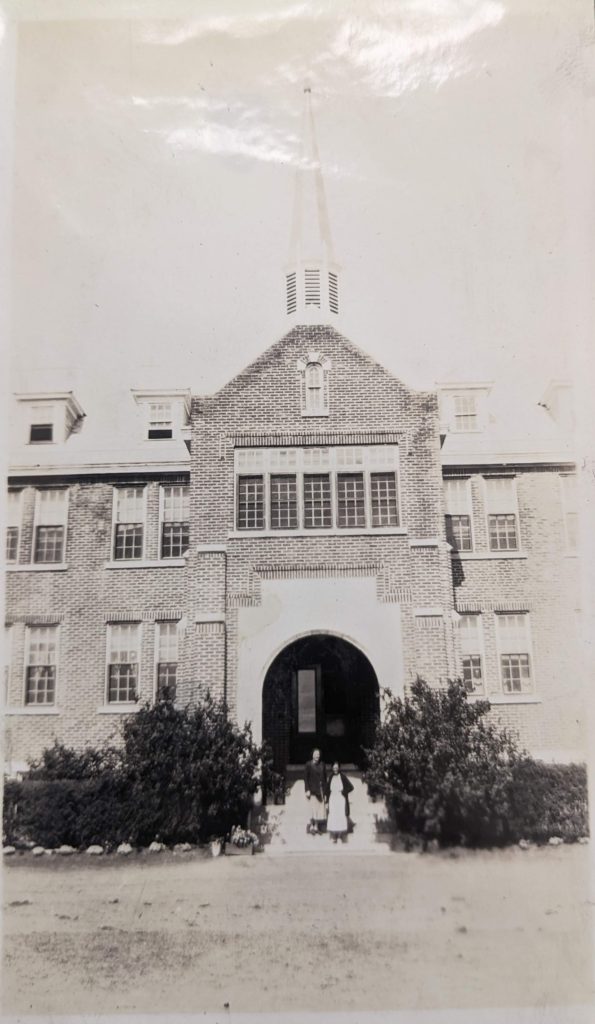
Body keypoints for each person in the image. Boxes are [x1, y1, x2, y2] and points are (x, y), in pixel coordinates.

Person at [326, 761, 354, 843]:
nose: (335, 769)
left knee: (340, 816)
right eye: (334, 768)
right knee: (333, 816)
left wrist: (343, 791)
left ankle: (341, 835)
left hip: (341, 799)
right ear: (332, 768)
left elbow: (351, 787)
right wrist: (327, 801)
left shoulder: (342, 776)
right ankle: (334, 835)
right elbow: (327, 790)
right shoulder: (330, 777)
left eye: (337, 767)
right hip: (332, 799)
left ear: (339, 768)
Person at [304, 748, 327, 835]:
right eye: (315, 754)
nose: (317, 755)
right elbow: (306, 778)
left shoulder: (322, 764)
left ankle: (316, 826)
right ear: (312, 755)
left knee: (318, 809)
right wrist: (307, 790)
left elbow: (325, 779)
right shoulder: (308, 765)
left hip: (320, 790)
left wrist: (325, 792)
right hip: (312, 791)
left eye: (318, 754)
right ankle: (312, 826)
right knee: (312, 809)